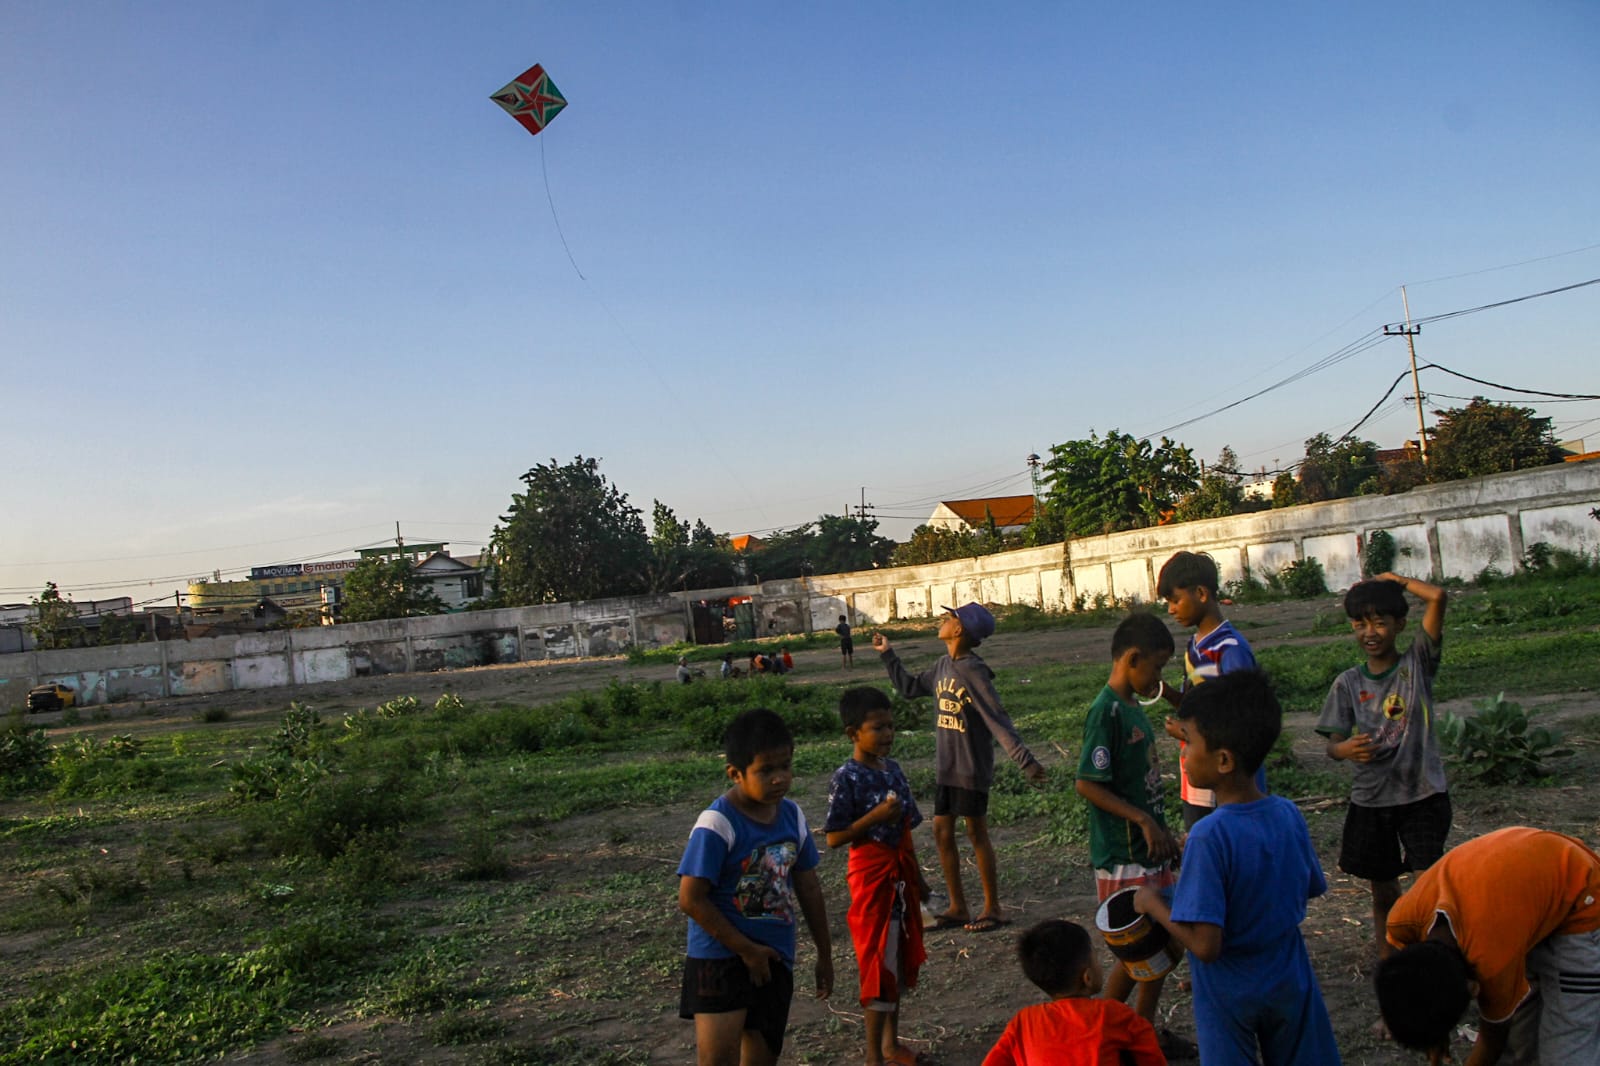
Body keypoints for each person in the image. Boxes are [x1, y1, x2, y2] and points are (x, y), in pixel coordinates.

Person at [1134, 670, 1342, 1066]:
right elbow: (1309, 887)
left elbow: (1205, 946)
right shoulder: (1287, 813)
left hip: (1229, 988)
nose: (1185, 752)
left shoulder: (1208, 836)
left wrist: (1153, 904)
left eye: (1189, 742)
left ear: (1224, 760)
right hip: (1287, 973)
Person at [873, 602, 1048, 934]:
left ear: (960, 630)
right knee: (941, 832)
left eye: (950, 617)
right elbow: (910, 689)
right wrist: (888, 654)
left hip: (970, 768)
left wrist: (1024, 760)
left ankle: (993, 908)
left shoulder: (974, 670)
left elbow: (997, 719)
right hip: (947, 768)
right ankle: (957, 906)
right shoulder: (942, 666)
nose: (943, 619)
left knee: (975, 833)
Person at [677, 708, 834, 1066]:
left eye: (785, 766)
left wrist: (824, 954)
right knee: (719, 1059)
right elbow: (691, 899)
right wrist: (746, 949)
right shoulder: (717, 823)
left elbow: (809, 887)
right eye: (766, 770)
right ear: (735, 774)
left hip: (775, 956)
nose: (780, 779)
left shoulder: (792, 816)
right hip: (720, 959)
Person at [1377, 826, 1600, 1066]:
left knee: (1568, 1047)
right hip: (1528, 883)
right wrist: (1435, 1033)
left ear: (1474, 988)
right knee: (1521, 1039)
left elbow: (1491, 1043)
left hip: (1582, 896)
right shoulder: (1403, 918)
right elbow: (1399, 980)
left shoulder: (1492, 963)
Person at [1314, 572, 1450, 966]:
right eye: (1360, 624)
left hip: (1422, 795)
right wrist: (1345, 749)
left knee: (1427, 888)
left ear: (1400, 625)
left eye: (1379, 622)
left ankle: (1434, 964)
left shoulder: (1417, 664)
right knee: (1383, 893)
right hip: (1372, 801)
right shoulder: (1348, 682)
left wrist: (1396, 581)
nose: (1370, 632)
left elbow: (1438, 597)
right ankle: (1390, 964)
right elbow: (1331, 745)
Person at [1074, 611, 1191, 1058]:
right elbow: (1088, 782)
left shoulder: (1134, 709)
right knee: (1135, 949)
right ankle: (1102, 1034)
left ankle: (1141, 1032)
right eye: (1157, 668)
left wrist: (1161, 830)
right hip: (1124, 853)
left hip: (1150, 851)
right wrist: (1142, 822)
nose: (1159, 678)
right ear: (1132, 659)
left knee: (1161, 947)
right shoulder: (1105, 711)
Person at [824, 687, 930, 1066]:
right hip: (872, 879)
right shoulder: (847, 778)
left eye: (890, 726)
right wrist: (873, 819)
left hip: (900, 875)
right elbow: (835, 837)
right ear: (853, 733)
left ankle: (891, 1044)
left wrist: (919, 881)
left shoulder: (894, 770)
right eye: (877, 728)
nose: (887, 734)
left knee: (896, 959)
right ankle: (873, 1056)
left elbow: (906, 829)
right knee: (877, 963)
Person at [1156, 550, 1261, 829]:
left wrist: (1185, 731)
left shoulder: (1230, 650)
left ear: (1201, 593)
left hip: (1230, 781)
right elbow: (1191, 704)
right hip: (1200, 772)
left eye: (1175, 600)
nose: (1171, 609)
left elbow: (1245, 720)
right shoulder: (1195, 646)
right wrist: (1165, 692)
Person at [982, 919, 1166, 1066]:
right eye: (1095, 958)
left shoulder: (1023, 1022)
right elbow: (1152, 1058)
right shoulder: (1115, 1014)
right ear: (1087, 977)